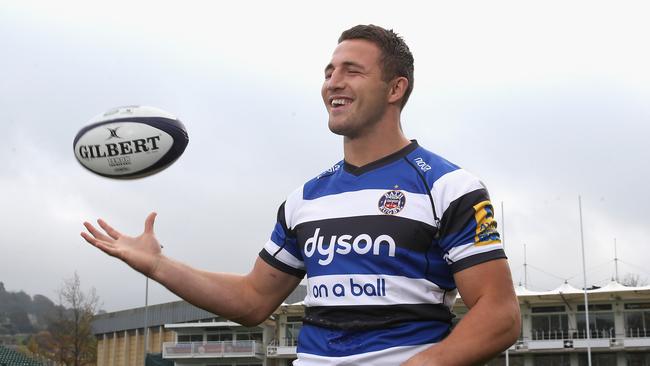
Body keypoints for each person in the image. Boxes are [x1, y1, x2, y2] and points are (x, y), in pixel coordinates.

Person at [82, 24, 521, 365]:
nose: (333, 82)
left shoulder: (448, 186)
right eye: (329, 72)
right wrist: (159, 265)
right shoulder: (305, 199)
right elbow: (252, 300)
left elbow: (500, 315)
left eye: (352, 70)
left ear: (395, 88)